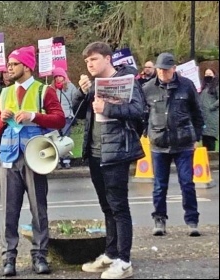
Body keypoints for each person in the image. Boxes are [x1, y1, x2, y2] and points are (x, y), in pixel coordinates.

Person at [72, 41, 145, 279]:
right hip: (95, 152)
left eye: (93, 59)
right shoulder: (94, 85)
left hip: (116, 153)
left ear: (107, 58)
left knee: (119, 207)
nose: (89, 64)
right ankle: (110, 254)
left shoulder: (128, 80)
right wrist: (82, 93)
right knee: (106, 206)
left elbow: (138, 111)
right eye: (87, 61)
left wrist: (108, 108)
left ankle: (124, 261)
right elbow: (80, 114)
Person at [0, 45, 65, 276]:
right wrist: (2, 121)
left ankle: (40, 256)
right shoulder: (4, 94)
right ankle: (8, 259)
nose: (9, 69)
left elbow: (59, 120)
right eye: (8, 65)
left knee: (38, 209)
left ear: (26, 66)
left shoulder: (44, 91)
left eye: (13, 64)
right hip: (9, 158)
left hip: (36, 158)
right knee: (8, 212)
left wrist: (34, 116)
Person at [142, 52, 205, 237]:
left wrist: (196, 135)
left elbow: (197, 112)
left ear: (174, 69)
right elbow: (142, 114)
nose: (162, 73)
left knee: (187, 183)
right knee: (160, 185)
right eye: (160, 70)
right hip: (159, 143)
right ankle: (159, 219)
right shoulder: (148, 88)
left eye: (166, 70)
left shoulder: (186, 85)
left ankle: (192, 220)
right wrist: (147, 132)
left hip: (184, 142)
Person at [51, 67, 77, 169]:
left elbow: (75, 101)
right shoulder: (51, 88)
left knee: (65, 139)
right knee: (55, 138)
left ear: (64, 77)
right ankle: (56, 160)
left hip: (67, 117)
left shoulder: (70, 87)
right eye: (56, 76)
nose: (58, 78)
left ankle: (66, 160)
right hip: (55, 117)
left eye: (60, 76)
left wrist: (73, 113)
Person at [200, 68, 219, 151]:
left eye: (210, 74)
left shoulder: (216, 86)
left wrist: (212, 106)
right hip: (204, 117)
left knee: (210, 141)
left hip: (212, 118)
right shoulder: (203, 88)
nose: (208, 76)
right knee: (205, 142)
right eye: (206, 74)